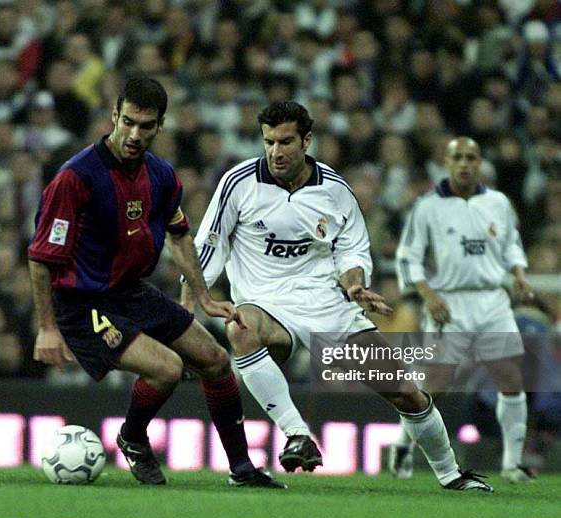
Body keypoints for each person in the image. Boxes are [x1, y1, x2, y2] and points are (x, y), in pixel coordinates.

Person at [182, 101, 492, 491]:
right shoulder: (238, 182)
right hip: (265, 303)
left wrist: (354, 285)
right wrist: (189, 306)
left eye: (286, 142)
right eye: (268, 142)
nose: (276, 152)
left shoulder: (335, 191)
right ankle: (297, 434)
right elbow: (207, 248)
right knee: (241, 328)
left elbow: (352, 251)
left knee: (406, 393)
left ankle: (451, 475)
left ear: (307, 140)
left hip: (328, 307)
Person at [27, 75, 284, 489]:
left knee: (217, 361)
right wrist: (47, 328)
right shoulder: (75, 178)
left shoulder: (162, 176)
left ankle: (242, 469)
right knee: (166, 369)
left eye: (146, 126)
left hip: (130, 292)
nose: (134, 134)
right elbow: (41, 258)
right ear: (114, 115)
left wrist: (202, 295)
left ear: (160, 126)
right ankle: (132, 438)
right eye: (127, 121)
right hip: (81, 303)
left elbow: (180, 233)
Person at [392, 136, 535, 483]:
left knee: (511, 379)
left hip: (492, 300)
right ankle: (401, 445)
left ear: (480, 161)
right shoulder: (428, 206)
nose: (465, 164)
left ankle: (512, 464)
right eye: (458, 158)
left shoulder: (498, 202)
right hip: (450, 303)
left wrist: (518, 275)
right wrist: (429, 296)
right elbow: (408, 257)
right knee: (435, 384)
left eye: (471, 157)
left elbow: (512, 246)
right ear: (447, 162)